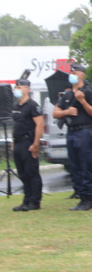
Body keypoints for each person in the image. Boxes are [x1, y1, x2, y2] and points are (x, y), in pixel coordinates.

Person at [53, 63, 92, 211]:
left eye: (75, 72)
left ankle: (88, 199)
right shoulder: (67, 94)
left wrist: (82, 101)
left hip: (84, 131)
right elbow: (56, 112)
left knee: (85, 164)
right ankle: (80, 196)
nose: (72, 74)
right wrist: (66, 112)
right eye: (71, 72)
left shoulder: (88, 92)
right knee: (75, 166)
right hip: (71, 131)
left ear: (82, 75)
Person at [10, 78, 44, 211]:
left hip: (28, 142)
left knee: (31, 172)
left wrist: (36, 144)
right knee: (23, 173)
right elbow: (17, 125)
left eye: (19, 88)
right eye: (16, 88)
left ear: (27, 90)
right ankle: (26, 200)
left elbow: (40, 125)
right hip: (18, 142)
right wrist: (14, 140)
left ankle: (35, 202)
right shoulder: (16, 106)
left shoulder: (32, 105)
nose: (17, 90)